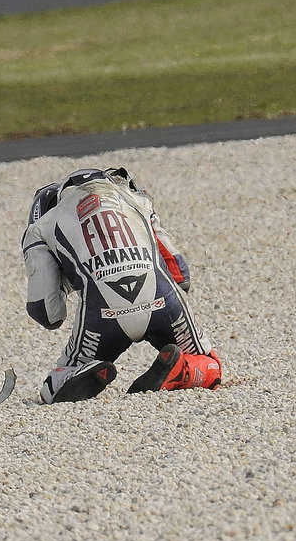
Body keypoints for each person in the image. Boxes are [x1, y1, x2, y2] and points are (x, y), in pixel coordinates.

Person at [22, 165, 224, 404]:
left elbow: (47, 314)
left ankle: (80, 371)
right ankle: (182, 369)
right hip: (164, 302)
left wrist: (69, 279)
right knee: (211, 365)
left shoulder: (40, 228)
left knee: (52, 390)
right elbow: (181, 277)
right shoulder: (140, 202)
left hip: (101, 317)